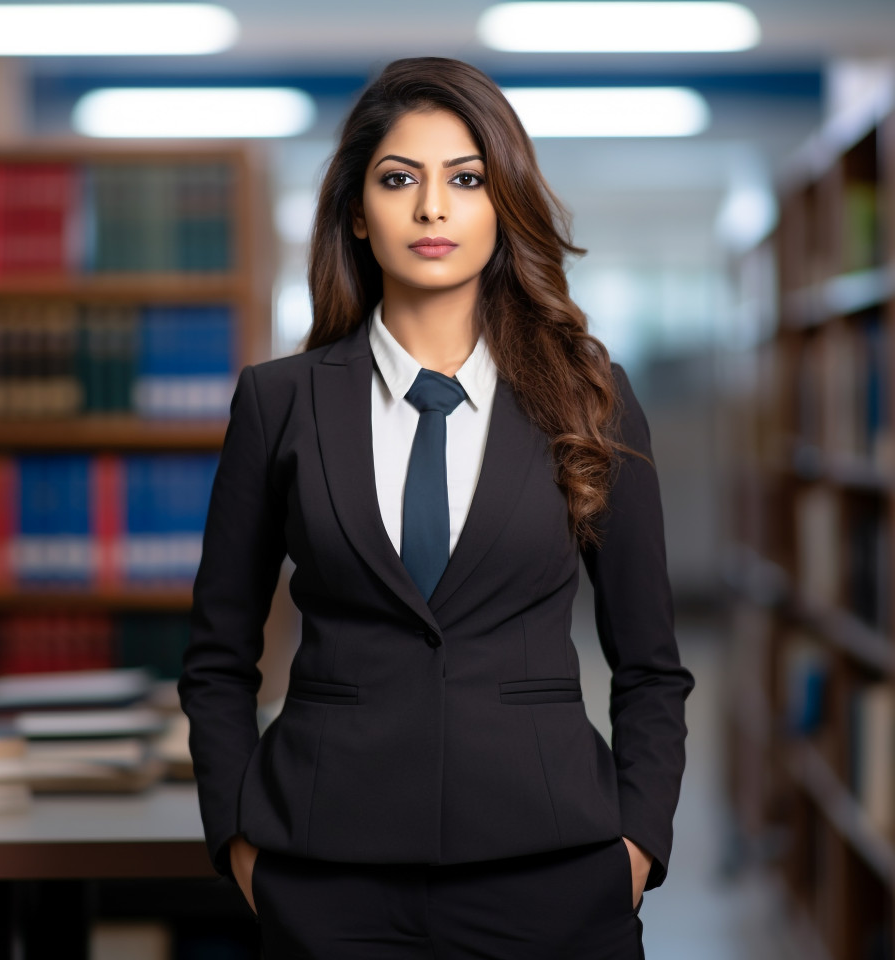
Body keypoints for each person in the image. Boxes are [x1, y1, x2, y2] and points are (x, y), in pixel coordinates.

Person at [178, 56, 696, 959]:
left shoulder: (592, 399)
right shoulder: (280, 401)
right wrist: (240, 845)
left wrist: (636, 848)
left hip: (555, 876)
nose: (432, 209)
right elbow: (218, 658)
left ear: (504, 207)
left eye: (466, 179)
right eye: (398, 180)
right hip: (327, 877)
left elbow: (651, 665)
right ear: (354, 211)